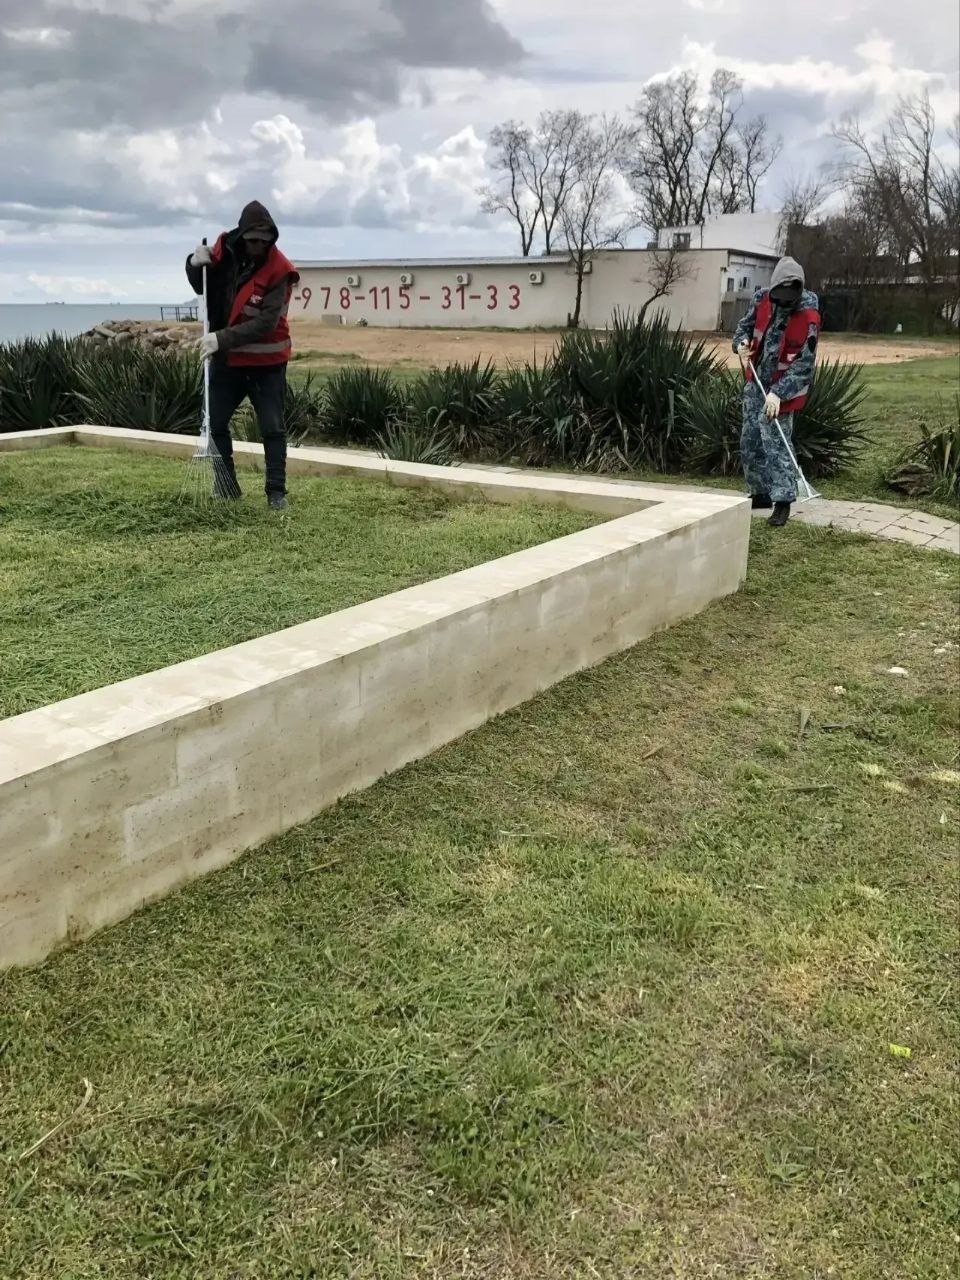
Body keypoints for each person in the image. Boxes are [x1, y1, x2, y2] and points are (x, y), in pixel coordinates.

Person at [185, 201, 300, 509]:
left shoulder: (280, 270)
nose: (259, 247)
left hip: (267, 363)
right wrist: (193, 264)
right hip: (228, 362)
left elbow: (265, 323)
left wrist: (220, 338)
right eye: (253, 241)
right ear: (242, 235)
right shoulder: (224, 252)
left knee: (272, 428)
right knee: (216, 423)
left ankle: (276, 493)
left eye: (265, 242)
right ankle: (226, 487)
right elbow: (204, 285)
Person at [733, 256, 820, 528]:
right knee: (751, 439)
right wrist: (741, 344)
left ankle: (783, 500)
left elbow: (805, 363)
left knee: (777, 442)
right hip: (756, 381)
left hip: (783, 388)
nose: (783, 302)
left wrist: (779, 393)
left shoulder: (808, 312)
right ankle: (760, 494)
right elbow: (744, 327)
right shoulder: (762, 298)